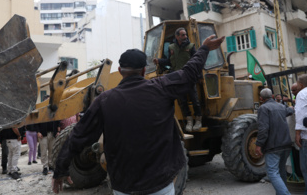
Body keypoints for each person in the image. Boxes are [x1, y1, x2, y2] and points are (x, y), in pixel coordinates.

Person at [51, 34, 225, 194]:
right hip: (161, 186)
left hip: (124, 188)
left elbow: (78, 136)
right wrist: (204, 48)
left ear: (119, 71)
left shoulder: (104, 101)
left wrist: (60, 169)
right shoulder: (162, 88)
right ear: (143, 71)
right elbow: (190, 73)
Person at [153, 27, 202, 132]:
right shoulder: (171, 48)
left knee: (195, 100)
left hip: (189, 77)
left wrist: (198, 76)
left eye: (185, 35)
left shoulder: (191, 46)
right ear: (177, 36)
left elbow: (197, 61)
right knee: (182, 101)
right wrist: (159, 61)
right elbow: (170, 62)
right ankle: (189, 120)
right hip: (178, 78)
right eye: (183, 35)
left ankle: (198, 120)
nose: (185, 37)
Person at [255, 88, 293, 195]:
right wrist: (292, 105)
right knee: (281, 171)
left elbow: (263, 129)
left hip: (273, 146)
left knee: (272, 173)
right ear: (272, 96)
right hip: (286, 144)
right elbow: (290, 110)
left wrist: (259, 144)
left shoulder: (263, 108)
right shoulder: (281, 106)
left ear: (261, 98)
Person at [295, 74, 307, 193]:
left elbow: (300, 114)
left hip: (306, 137)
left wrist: (297, 133)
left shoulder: (302, 94)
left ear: (301, 84)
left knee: (305, 168)